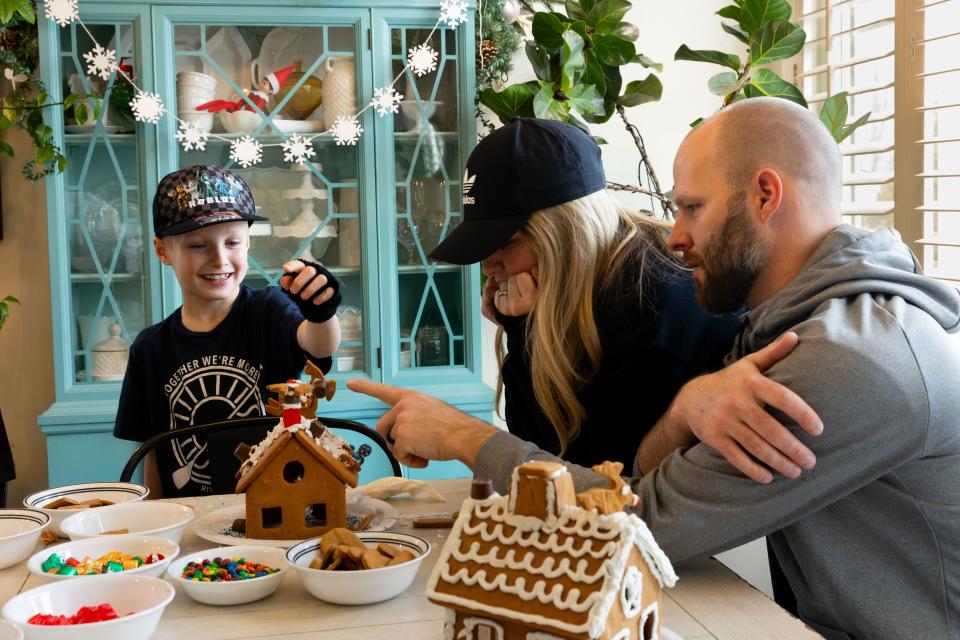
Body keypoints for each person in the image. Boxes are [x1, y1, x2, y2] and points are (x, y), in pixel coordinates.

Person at [350, 98, 960, 639]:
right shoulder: (781, 324)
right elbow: (626, 474)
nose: (674, 236)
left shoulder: (849, 361)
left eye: (693, 208)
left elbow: (636, 521)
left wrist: (461, 434)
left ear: (765, 196)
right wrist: (679, 403)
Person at [426, 118, 740, 470]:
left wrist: (525, 330)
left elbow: (576, 478)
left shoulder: (644, 307)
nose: (488, 268)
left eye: (504, 245)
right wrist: (523, 329)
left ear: (564, 235)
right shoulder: (600, 278)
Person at [114, 164, 342, 498]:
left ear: (248, 243)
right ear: (163, 250)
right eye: (197, 246)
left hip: (274, 509)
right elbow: (154, 452)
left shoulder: (269, 310)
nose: (219, 259)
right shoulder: (150, 348)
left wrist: (322, 311)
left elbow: (317, 345)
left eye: (232, 242)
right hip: (189, 522)